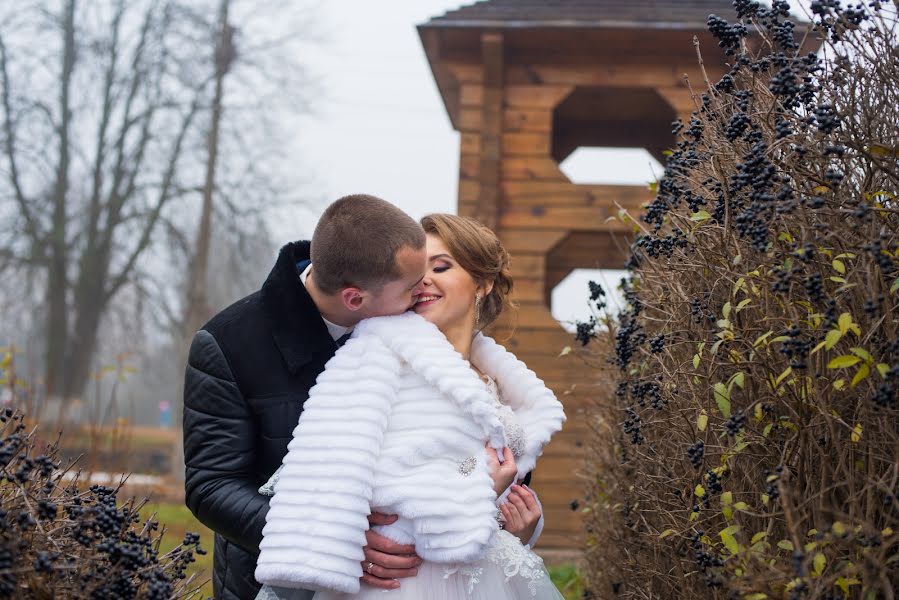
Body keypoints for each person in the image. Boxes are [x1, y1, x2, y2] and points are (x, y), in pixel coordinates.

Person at [254, 214, 566, 599]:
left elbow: (478, 481)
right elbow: (334, 472)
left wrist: (518, 525)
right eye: (418, 270)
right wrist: (481, 488)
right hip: (402, 582)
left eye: (441, 266)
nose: (424, 281)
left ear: (482, 284)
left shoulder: (495, 378)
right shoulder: (378, 352)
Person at [183, 195, 433, 599]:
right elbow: (212, 486)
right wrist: (331, 539)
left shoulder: (411, 326)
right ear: (355, 299)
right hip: (269, 583)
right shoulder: (228, 343)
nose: (424, 293)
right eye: (411, 286)